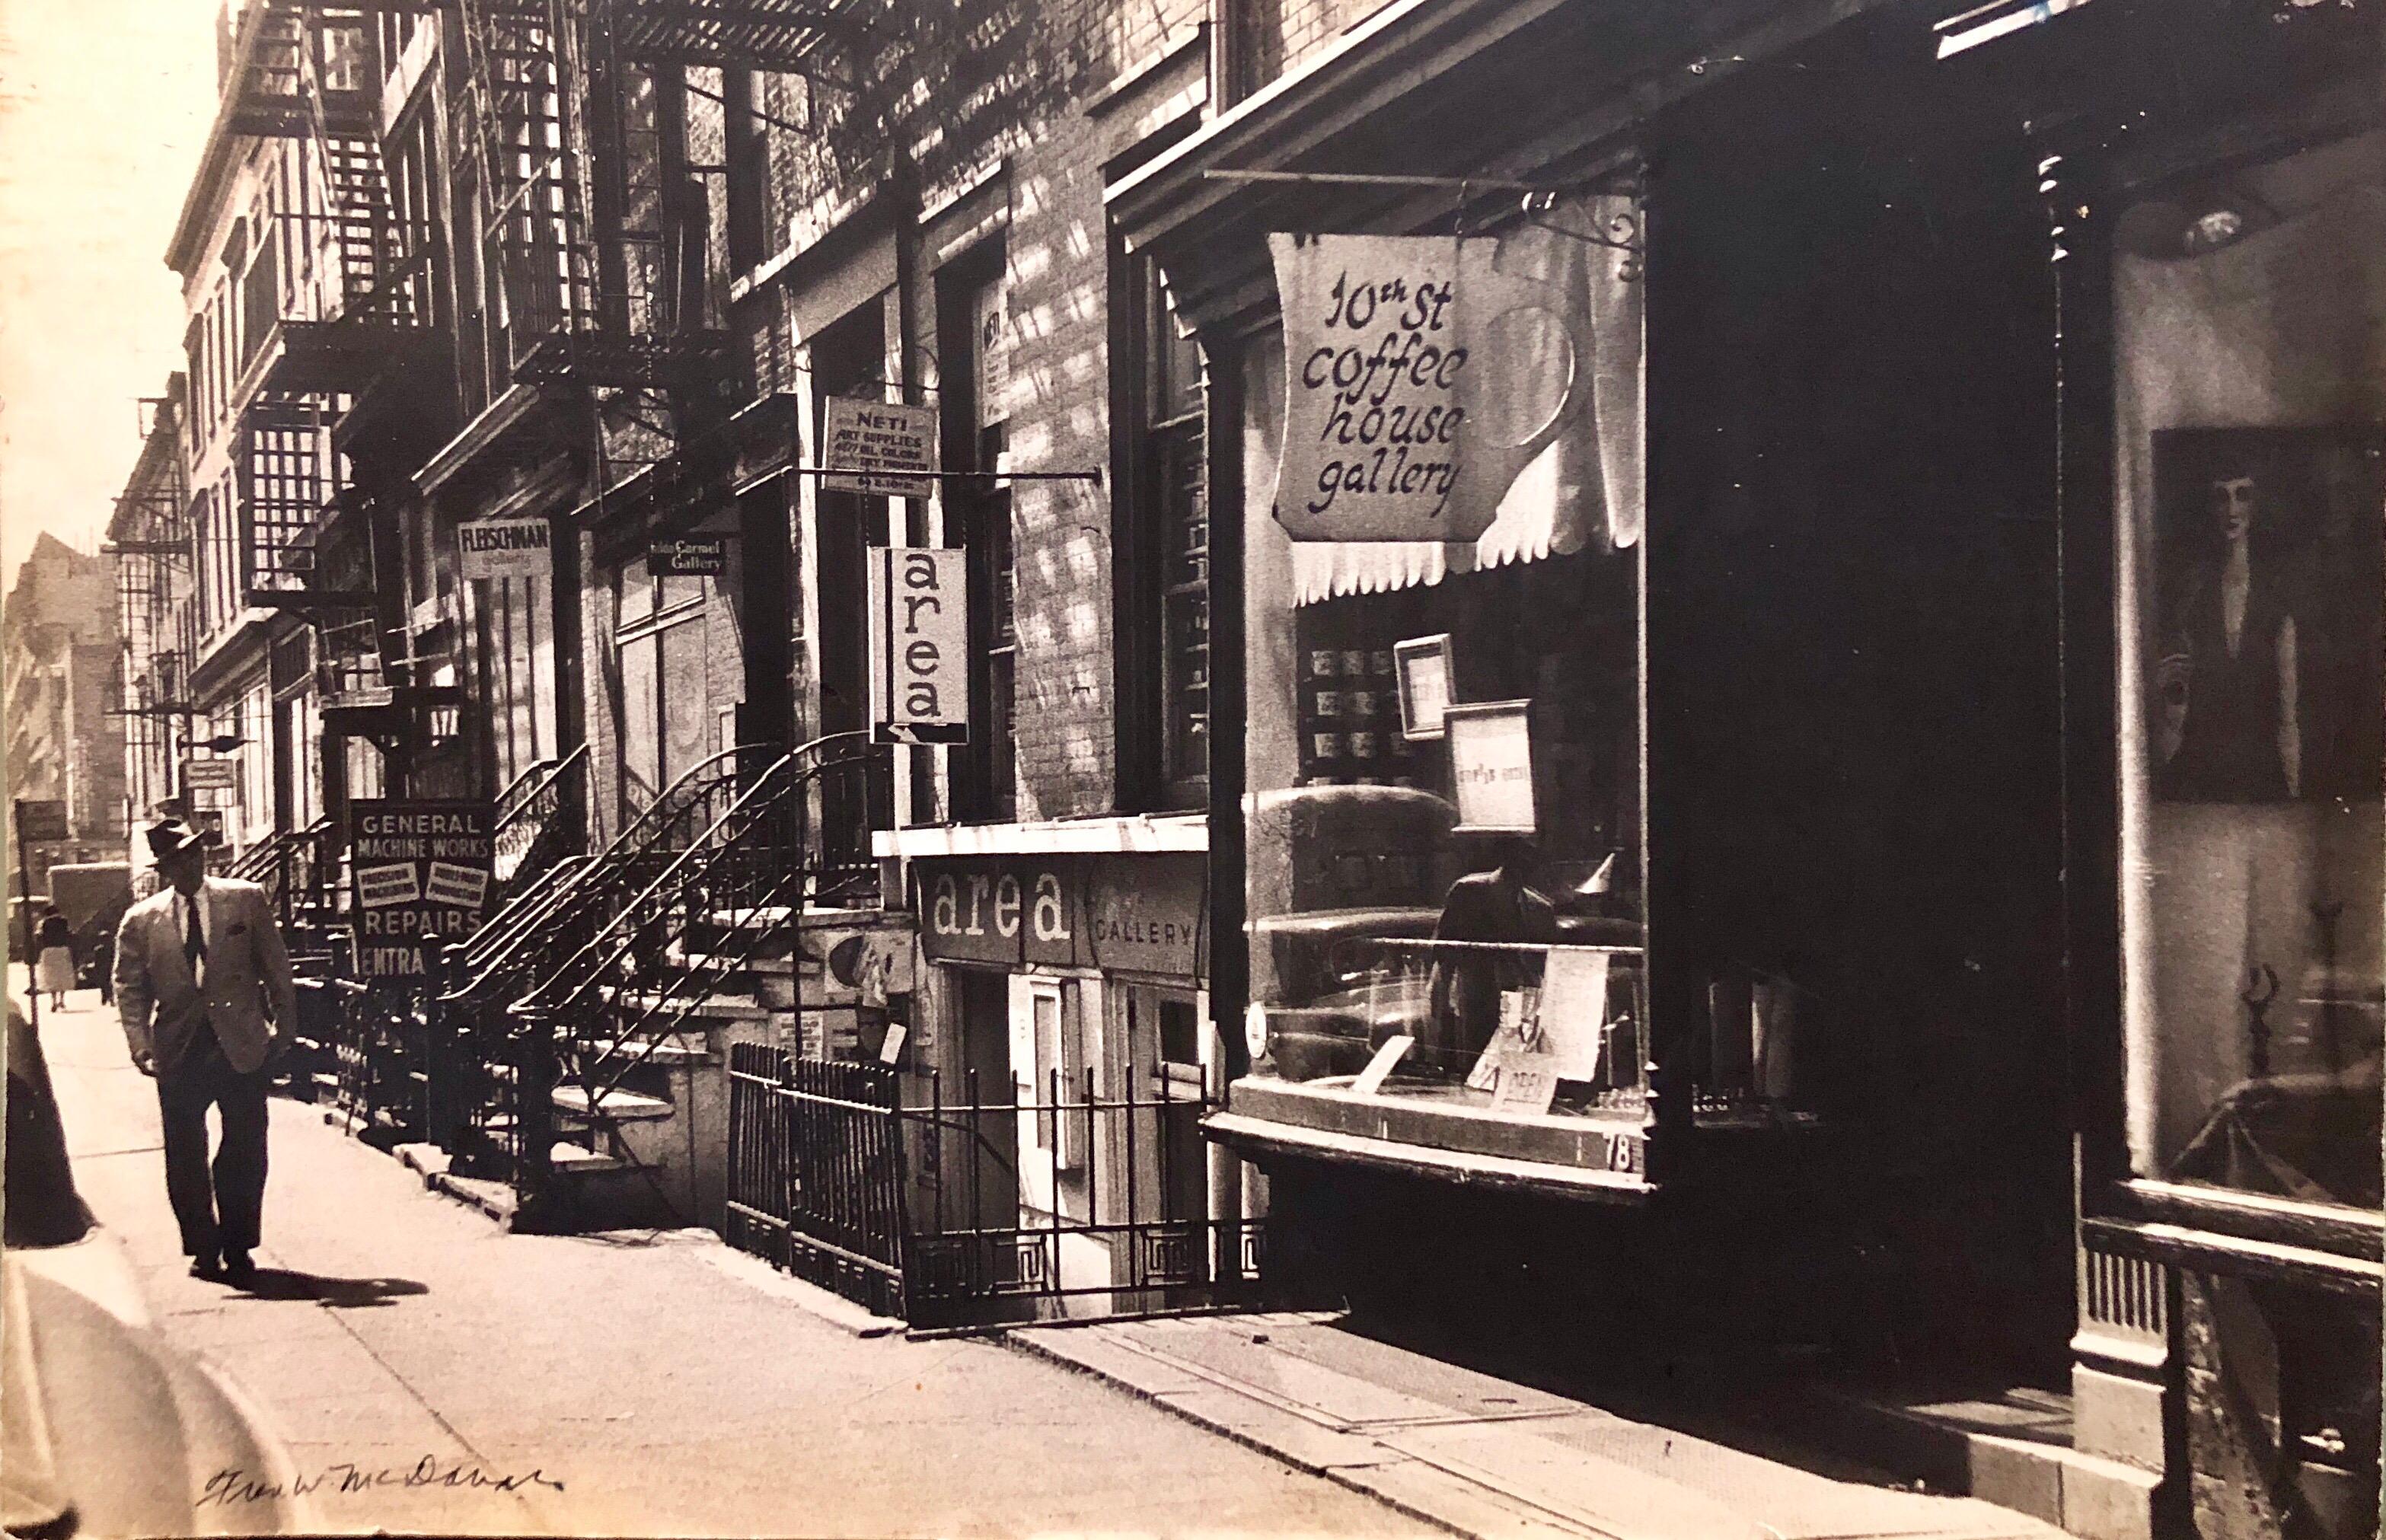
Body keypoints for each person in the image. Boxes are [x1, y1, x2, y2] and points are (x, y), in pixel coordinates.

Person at [113, 819, 296, 1287]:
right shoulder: (141, 920)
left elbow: (275, 966)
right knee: (184, 1152)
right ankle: (202, 1245)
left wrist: (285, 1026)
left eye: (193, 855)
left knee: (245, 1145)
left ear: (203, 856)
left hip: (240, 1043)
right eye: (178, 861)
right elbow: (129, 988)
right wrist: (140, 1044)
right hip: (179, 1049)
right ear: (165, 870)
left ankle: (237, 1243)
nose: (189, 866)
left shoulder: (245, 899)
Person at [2155, 467, 2300, 801]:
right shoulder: (2192, 591)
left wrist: (2292, 789)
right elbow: (2173, 698)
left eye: (2242, 495)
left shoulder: (2276, 594)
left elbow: (2287, 711)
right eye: (2222, 496)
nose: (2232, 510)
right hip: (2200, 769)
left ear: (2257, 503)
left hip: (2261, 769)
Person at [33, 907, 75, 1012]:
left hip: (48, 951)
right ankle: (62, 1000)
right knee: (63, 975)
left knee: (51, 976)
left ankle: (53, 1001)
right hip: (62, 949)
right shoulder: (64, 921)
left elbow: (39, 936)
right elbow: (70, 934)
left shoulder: (43, 923)